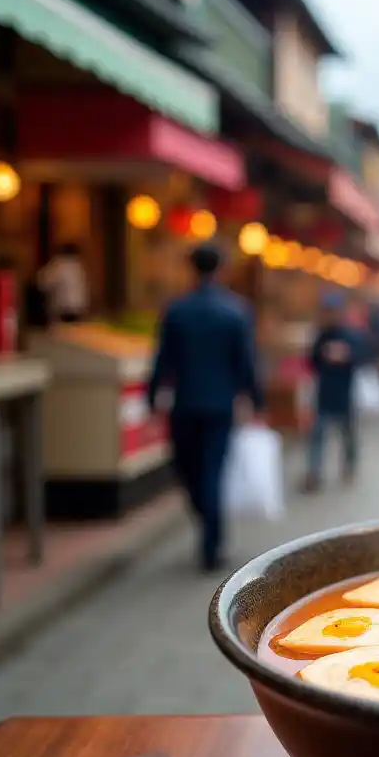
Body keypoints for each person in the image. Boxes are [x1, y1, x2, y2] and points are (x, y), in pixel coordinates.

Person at [148, 243, 262, 572]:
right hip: (220, 406)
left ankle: (209, 534)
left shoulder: (176, 310)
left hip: (184, 403)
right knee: (211, 470)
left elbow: (162, 358)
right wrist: (256, 401)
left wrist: (153, 396)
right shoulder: (236, 311)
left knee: (188, 469)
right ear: (222, 268)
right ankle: (213, 534)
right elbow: (246, 363)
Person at [305, 292, 368, 491]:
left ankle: (349, 467)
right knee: (317, 435)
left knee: (347, 434)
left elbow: (362, 357)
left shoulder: (351, 335)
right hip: (323, 394)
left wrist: (345, 356)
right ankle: (314, 472)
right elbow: (311, 362)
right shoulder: (321, 335)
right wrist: (324, 355)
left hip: (345, 394)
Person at [37, 242, 88, 323]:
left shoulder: (59, 265)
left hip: (63, 308)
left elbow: (44, 283)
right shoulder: (79, 266)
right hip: (79, 307)